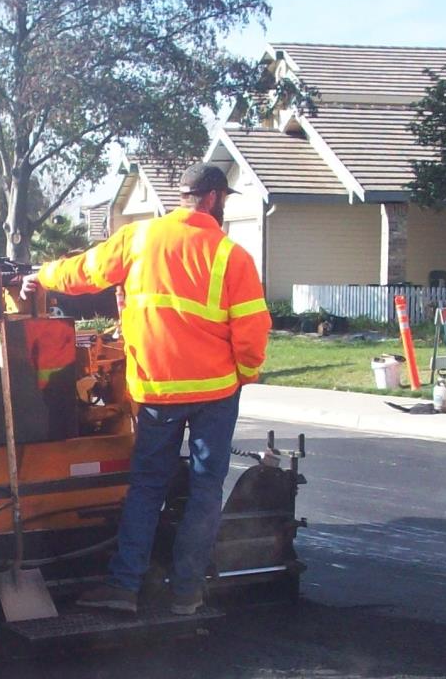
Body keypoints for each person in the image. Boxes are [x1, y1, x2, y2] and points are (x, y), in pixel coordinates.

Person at [18, 162, 269, 614]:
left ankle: (124, 587)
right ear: (214, 198)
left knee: (148, 487)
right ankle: (186, 593)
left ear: (184, 197)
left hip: (156, 393)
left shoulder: (140, 238)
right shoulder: (232, 256)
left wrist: (44, 274)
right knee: (205, 490)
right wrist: (245, 374)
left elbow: (85, 271)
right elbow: (252, 331)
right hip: (215, 394)